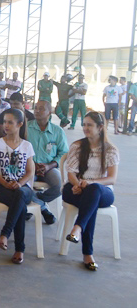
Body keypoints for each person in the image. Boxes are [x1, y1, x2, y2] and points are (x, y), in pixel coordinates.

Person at [63, 111, 119, 271]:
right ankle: (87, 253)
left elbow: (111, 178)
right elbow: (71, 173)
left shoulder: (110, 150)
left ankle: (78, 228)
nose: (85, 128)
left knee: (93, 192)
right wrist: (78, 184)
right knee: (90, 201)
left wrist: (90, 183)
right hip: (75, 188)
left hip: (102, 192)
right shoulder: (77, 146)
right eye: (84, 124)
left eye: (90, 125)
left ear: (100, 127)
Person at [0, 108, 35, 265]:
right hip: (2, 187)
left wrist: (19, 183)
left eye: (10, 122)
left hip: (24, 188)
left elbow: (30, 171)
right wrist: (5, 183)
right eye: (4, 122)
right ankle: (19, 249)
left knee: (20, 195)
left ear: (20, 124)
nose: (5, 125)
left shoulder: (27, 146)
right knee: (19, 204)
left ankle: (5, 234)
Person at [27, 100, 68, 224]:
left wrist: (49, 165)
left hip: (49, 167)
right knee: (23, 186)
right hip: (29, 166)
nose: (37, 111)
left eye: (41, 109)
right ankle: (44, 209)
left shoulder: (57, 131)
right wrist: (32, 164)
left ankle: (37, 201)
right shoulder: (26, 127)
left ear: (49, 112)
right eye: (36, 108)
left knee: (60, 186)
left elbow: (64, 153)